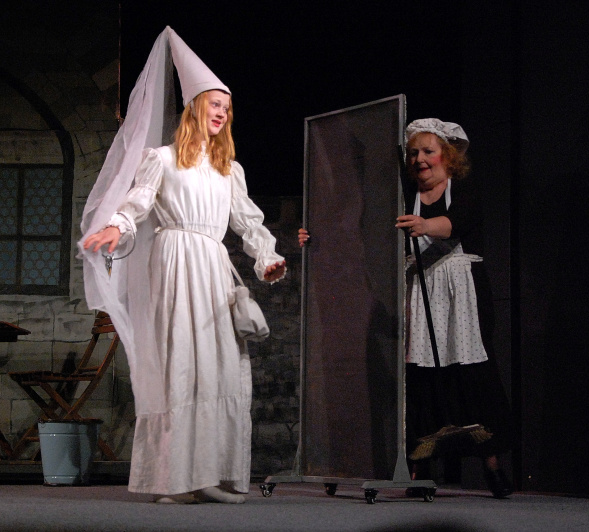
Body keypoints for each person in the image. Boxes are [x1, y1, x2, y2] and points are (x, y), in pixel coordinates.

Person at [81, 27, 286, 504]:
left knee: (219, 367)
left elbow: (248, 222)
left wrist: (267, 257)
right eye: (214, 104)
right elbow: (137, 202)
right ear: (194, 107)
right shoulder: (162, 159)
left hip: (212, 264)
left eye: (227, 108)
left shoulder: (229, 170)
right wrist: (116, 227)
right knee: (181, 364)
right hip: (175, 263)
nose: (221, 113)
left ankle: (211, 473)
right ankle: (175, 479)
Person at [298, 118, 513, 499]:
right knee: (421, 379)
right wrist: (318, 236)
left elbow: (459, 222)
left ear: (447, 155)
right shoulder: (405, 196)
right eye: (414, 153)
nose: (419, 159)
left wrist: (425, 225)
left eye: (428, 151)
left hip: (461, 291)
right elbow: (366, 233)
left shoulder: (462, 187)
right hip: (421, 288)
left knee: (472, 375)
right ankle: (420, 467)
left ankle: (492, 466)